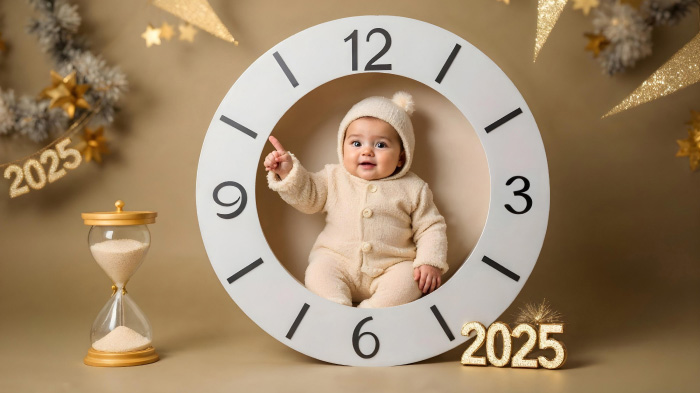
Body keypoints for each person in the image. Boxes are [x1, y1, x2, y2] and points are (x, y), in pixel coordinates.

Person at [264, 92, 447, 308]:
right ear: (342, 148)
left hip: (392, 265)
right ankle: (336, 308)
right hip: (336, 260)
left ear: (401, 157)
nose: (367, 151)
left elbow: (430, 227)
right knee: (318, 273)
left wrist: (429, 261)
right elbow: (309, 196)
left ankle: (372, 311)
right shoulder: (333, 177)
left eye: (380, 145)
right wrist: (288, 172)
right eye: (356, 143)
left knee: (409, 281)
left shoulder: (414, 188)